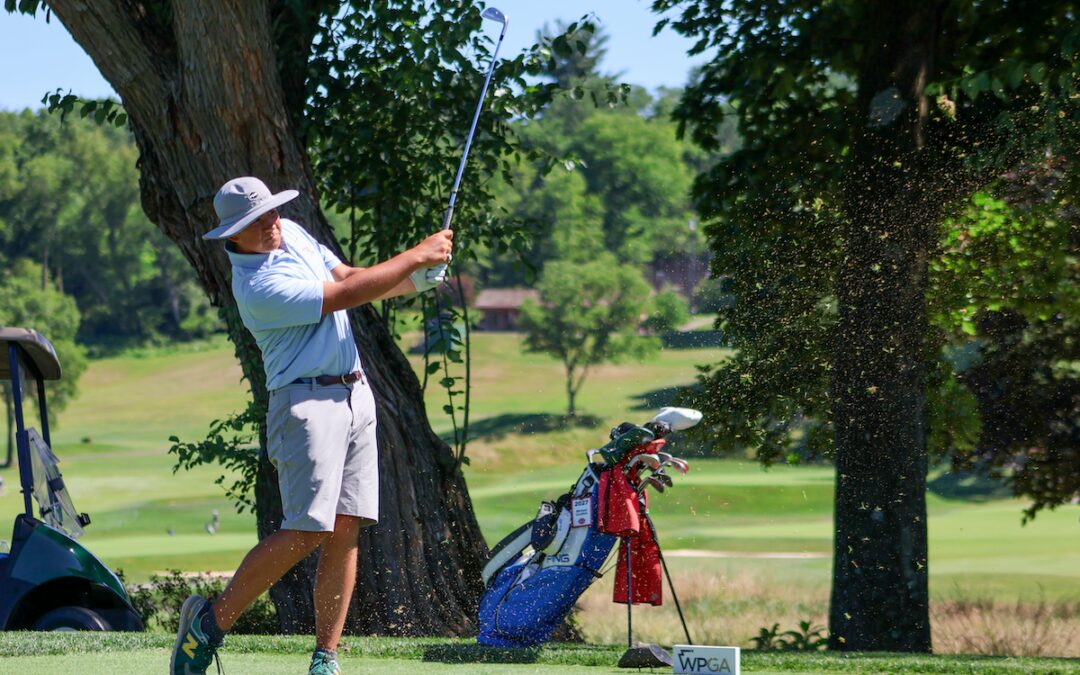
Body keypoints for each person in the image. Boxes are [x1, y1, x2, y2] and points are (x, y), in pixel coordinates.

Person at [170, 176, 453, 675]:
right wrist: (414, 255)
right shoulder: (257, 287)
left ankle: (326, 657)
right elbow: (343, 295)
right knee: (305, 531)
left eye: (272, 212)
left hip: (354, 392)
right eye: (257, 221)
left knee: (346, 529)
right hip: (306, 403)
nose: (271, 223)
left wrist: (413, 281)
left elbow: (351, 274)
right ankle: (209, 626)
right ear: (234, 234)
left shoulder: (292, 232)